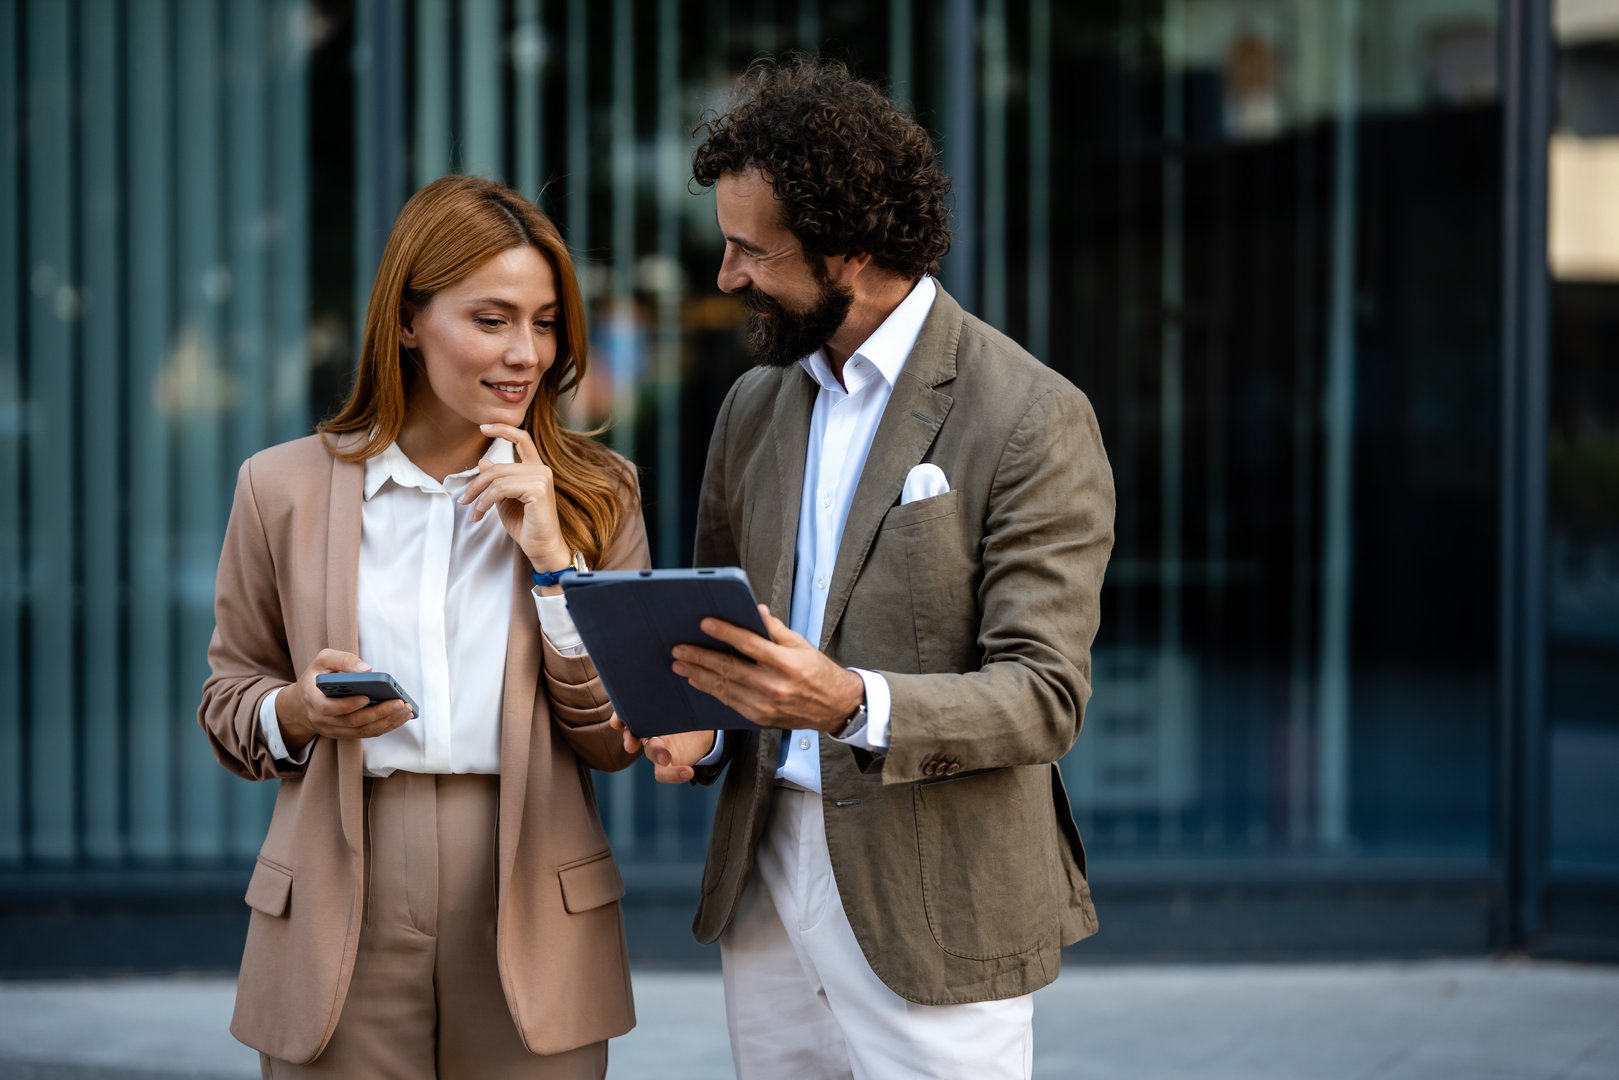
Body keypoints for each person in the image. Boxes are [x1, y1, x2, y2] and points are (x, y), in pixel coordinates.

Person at [617, 58, 1116, 1079]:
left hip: (934, 896)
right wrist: (697, 730)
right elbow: (723, 641)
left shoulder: (1029, 415)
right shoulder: (753, 407)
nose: (726, 277)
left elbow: (1042, 696)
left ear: (849, 251)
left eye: (751, 251)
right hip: (765, 875)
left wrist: (849, 702)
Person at [199, 175, 648, 1079]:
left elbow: (617, 739)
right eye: (491, 319)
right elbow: (227, 701)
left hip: (530, 879)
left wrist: (555, 565)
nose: (527, 352)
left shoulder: (600, 493)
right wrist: (298, 710)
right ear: (407, 322)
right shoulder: (280, 488)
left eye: (546, 321)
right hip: (340, 887)